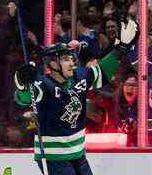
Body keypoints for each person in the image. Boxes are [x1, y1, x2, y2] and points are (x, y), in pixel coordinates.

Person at [14, 19, 138, 174]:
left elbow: (103, 72)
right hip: (53, 157)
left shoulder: (80, 76)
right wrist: (22, 84)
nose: (72, 63)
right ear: (52, 64)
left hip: (78, 153)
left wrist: (120, 49)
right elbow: (23, 98)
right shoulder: (43, 84)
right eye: (66, 59)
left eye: (72, 58)